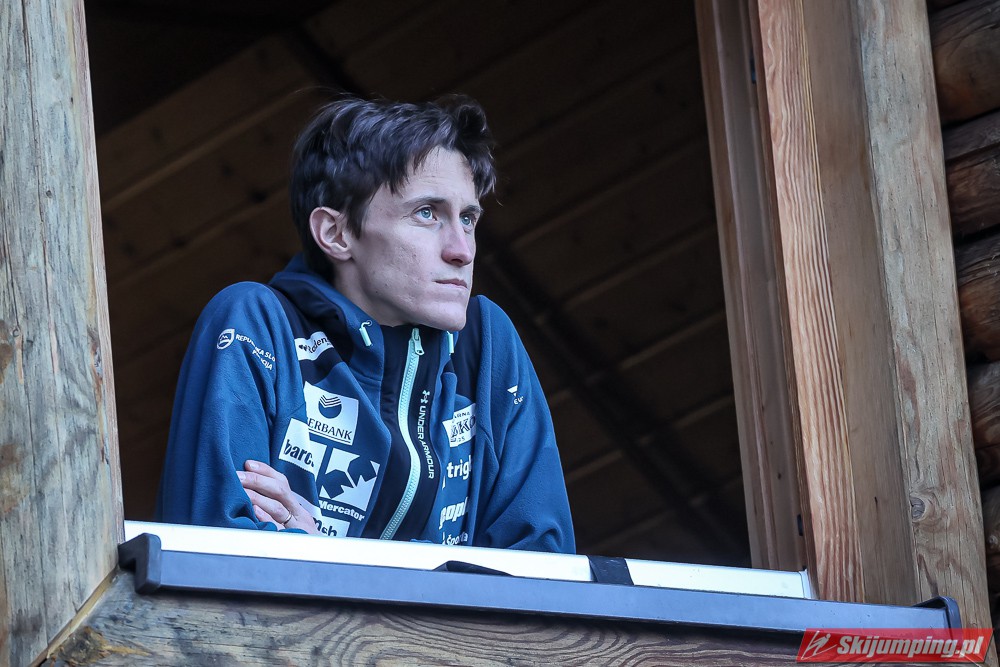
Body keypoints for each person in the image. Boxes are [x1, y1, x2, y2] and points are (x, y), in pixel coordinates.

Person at [156, 95, 575, 553]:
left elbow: (544, 573)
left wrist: (322, 555)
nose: (462, 250)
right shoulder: (257, 326)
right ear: (336, 234)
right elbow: (214, 565)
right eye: (427, 214)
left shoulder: (487, 347)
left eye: (469, 219)